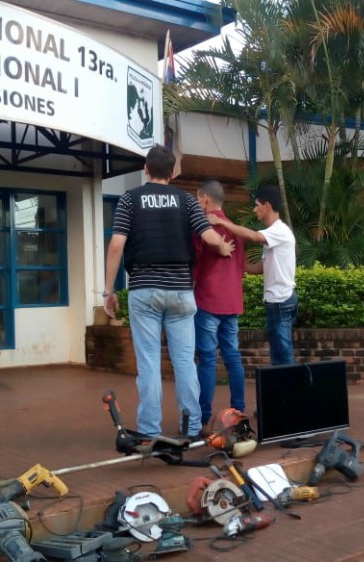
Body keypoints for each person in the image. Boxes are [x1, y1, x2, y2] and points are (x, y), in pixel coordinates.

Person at [102, 145, 233, 438]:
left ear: (145, 169)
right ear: (172, 173)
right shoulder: (187, 201)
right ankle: (192, 425)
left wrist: (108, 291)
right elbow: (210, 236)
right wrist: (223, 245)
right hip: (180, 291)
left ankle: (149, 430)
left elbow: (116, 245)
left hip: (144, 289)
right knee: (185, 361)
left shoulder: (129, 200)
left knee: (148, 362)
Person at [207, 185, 297, 365]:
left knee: (283, 355)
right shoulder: (274, 234)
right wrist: (236, 263)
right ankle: (281, 392)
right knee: (278, 354)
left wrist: (221, 222)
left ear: (267, 206)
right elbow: (261, 267)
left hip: (280, 300)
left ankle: (291, 391)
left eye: (257, 205)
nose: (255, 209)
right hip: (276, 302)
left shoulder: (279, 231)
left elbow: (253, 237)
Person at [192, 180, 246, 436]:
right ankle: (238, 413)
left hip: (208, 299)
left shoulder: (202, 228)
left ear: (204, 199)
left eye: (196, 199)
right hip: (231, 300)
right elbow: (240, 268)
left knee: (207, 359)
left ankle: (203, 418)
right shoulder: (234, 229)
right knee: (233, 357)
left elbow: (196, 264)